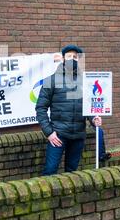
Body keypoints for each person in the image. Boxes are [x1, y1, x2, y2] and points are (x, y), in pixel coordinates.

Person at [36, 44, 104, 175]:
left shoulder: (84, 81)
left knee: (72, 173)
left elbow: (88, 105)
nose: (72, 59)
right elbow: (41, 108)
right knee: (50, 171)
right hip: (58, 134)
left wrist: (93, 119)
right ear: (62, 59)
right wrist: (49, 132)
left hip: (78, 135)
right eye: (69, 56)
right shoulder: (51, 80)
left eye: (75, 57)